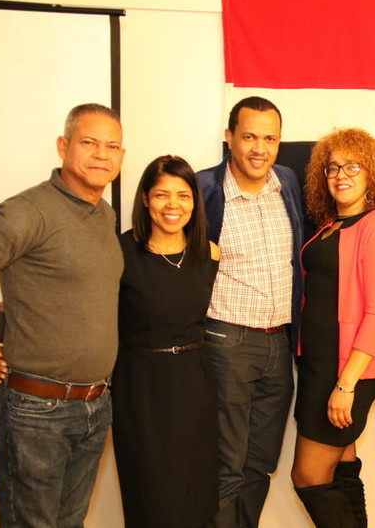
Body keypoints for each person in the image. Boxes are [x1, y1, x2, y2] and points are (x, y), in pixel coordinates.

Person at [0, 103, 125, 527]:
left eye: (112, 146)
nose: (102, 154)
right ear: (63, 146)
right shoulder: (27, 211)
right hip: (35, 413)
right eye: (89, 142)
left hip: (94, 407)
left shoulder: (104, 214)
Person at [197, 96, 304, 528]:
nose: (260, 149)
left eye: (270, 139)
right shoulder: (204, 189)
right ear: (229, 137)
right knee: (225, 464)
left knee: (260, 463)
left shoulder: (287, 182)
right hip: (227, 342)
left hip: (279, 343)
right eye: (249, 137)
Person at [291, 128, 375, 527]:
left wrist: (345, 385)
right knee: (342, 466)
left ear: (372, 173)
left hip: (346, 371)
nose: (341, 174)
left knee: (307, 476)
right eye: (333, 167)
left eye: (353, 166)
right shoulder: (330, 226)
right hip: (319, 365)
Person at [112, 155, 221, 527]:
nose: (173, 204)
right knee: (151, 498)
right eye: (161, 194)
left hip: (194, 386)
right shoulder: (120, 252)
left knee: (195, 498)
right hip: (140, 388)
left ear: (194, 201)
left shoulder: (208, 252)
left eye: (183, 195)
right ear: (145, 199)